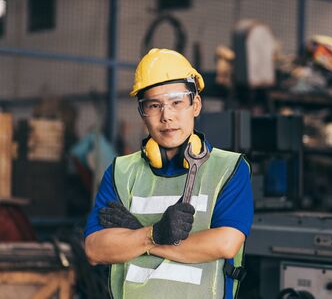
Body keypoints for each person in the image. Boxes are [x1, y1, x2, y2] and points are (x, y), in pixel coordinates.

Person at [84, 48, 254, 299]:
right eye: (154, 105)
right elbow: (95, 249)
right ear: (143, 113)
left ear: (195, 105)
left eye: (177, 103)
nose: (167, 116)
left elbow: (224, 244)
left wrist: (141, 237)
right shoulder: (121, 172)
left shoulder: (229, 169)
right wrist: (155, 232)